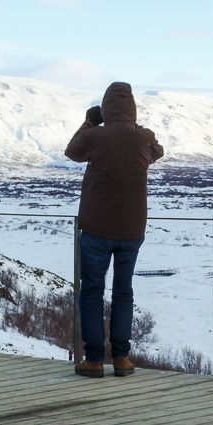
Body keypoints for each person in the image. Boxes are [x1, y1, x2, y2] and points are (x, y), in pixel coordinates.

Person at [64, 83, 165, 379]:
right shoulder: (144, 138)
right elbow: (157, 151)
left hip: (96, 227)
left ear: (105, 108)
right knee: (124, 293)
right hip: (132, 230)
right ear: (131, 108)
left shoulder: (95, 135)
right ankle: (122, 359)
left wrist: (90, 122)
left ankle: (94, 360)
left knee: (93, 292)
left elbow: (72, 152)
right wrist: (134, 127)